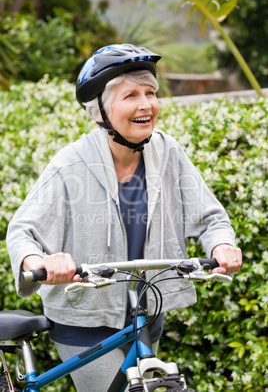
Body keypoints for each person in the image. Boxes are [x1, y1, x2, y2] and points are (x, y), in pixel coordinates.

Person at [6, 43, 242, 391]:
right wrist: (40, 260)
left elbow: (211, 218)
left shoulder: (169, 153)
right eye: (131, 95)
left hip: (148, 311)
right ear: (100, 110)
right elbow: (23, 231)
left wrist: (222, 244)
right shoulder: (70, 163)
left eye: (150, 93)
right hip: (86, 318)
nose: (146, 104)